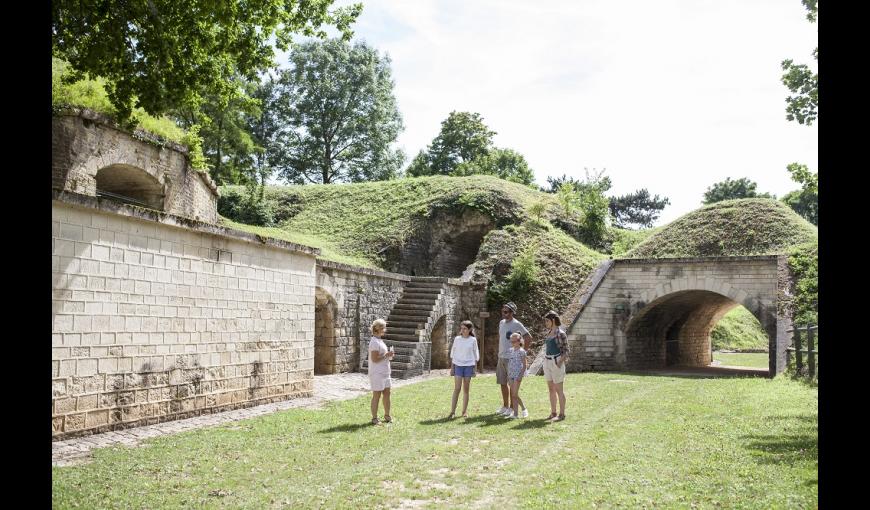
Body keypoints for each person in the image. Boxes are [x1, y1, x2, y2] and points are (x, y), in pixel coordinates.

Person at [496, 302, 532, 417]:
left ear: (512, 313)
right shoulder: (501, 323)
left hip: (511, 359)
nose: (503, 313)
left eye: (506, 312)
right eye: (503, 311)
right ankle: (505, 406)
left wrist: (522, 352)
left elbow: (528, 337)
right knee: (502, 383)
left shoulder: (517, 324)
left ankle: (512, 408)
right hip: (501, 357)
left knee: (512, 385)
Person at [447, 320, 480, 419]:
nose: (462, 330)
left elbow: (475, 354)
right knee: (457, 388)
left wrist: (475, 369)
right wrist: (452, 368)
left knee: (466, 389)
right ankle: (452, 412)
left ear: (470, 330)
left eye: (465, 329)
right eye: (461, 328)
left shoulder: (473, 340)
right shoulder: (457, 339)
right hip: (458, 365)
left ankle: (464, 411)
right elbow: (453, 353)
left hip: (469, 366)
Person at [542, 310, 569, 421]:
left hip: (556, 361)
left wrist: (559, 362)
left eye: (547, 321)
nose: (546, 323)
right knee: (551, 389)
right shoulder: (548, 333)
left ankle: (562, 414)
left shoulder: (561, 333)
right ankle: (553, 413)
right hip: (547, 362)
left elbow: (567, 350)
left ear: (553, 320)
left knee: (559, 390)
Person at [368, 319, 395, 425]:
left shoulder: (380, 340)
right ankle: (374, 418)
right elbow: (374, 359)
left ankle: (387, 415)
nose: (385, 330)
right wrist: (386, 355)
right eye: (383, 327)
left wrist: (389, 355)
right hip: (377, 373)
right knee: (377, 395)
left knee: (387, 393)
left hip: (385, 372)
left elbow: (383, 357)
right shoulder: (374, 342)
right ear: (378, 329)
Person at [506, 333, 528, 419]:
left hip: (518, 375)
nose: (512, 343)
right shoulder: (510, 350)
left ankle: (524, 408)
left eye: (514, 341)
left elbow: (525, 365)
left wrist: (520, 375)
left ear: (519, 341)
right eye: (511, 341)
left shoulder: (522, 352)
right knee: (513, 394)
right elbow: (510, 363)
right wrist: (508, 375)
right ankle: (515, 414)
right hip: (511, 374)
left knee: (515, 394)